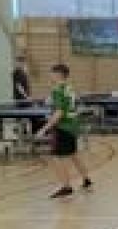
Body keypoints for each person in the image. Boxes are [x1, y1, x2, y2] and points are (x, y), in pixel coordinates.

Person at [36, 63, 92, 198]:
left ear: (58, 74)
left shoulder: (57, 90)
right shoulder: (69, 88)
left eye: (52, 73)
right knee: (73, 154)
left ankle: (66, 187)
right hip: (73, 126)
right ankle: (86, 179)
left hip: (63, 127)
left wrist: (44, 128)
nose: (50, 76)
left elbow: (59, 112)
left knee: (57, 157)